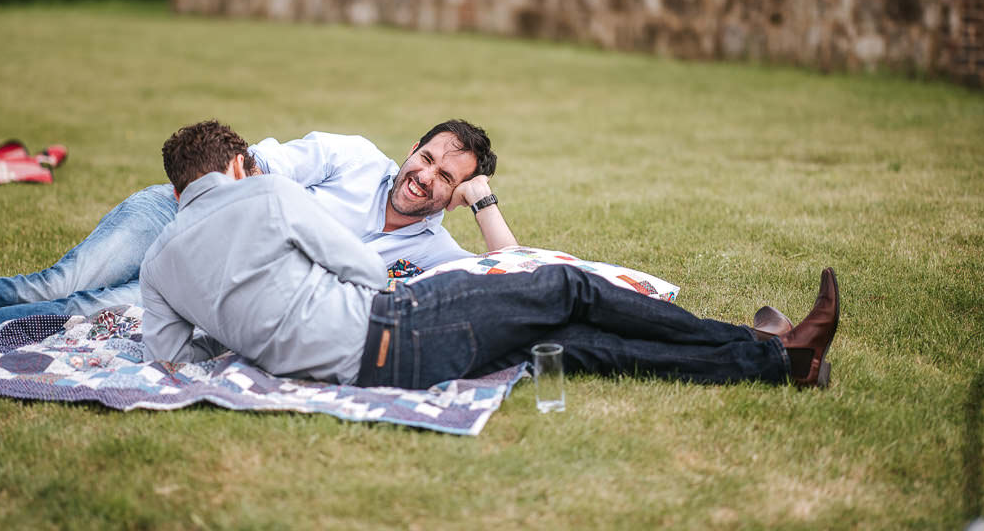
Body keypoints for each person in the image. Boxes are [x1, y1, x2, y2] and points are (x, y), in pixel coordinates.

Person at [141, 121, 839, 389]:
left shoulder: (159, 263)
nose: (427, 174)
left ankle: (775, 360)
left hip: (373, 360)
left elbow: (176, 357)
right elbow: (359, 272)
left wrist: (250, 326)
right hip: (396, 330)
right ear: (237, 165)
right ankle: (772, 347)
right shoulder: (268, 197)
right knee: (568, 289)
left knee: (572, 345)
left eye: (448, 174)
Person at [0, 120, 517, 362]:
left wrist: (484, 199)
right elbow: (247, 167)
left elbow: (514, 270)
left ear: (457, 193)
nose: (423, 177)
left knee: (77, 313)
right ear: (411, 149)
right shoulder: (352, 157)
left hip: (212, 276)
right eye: (425, 158)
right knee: (53, 285)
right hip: (176, 214)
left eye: (447, 177)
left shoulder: (431, 251)